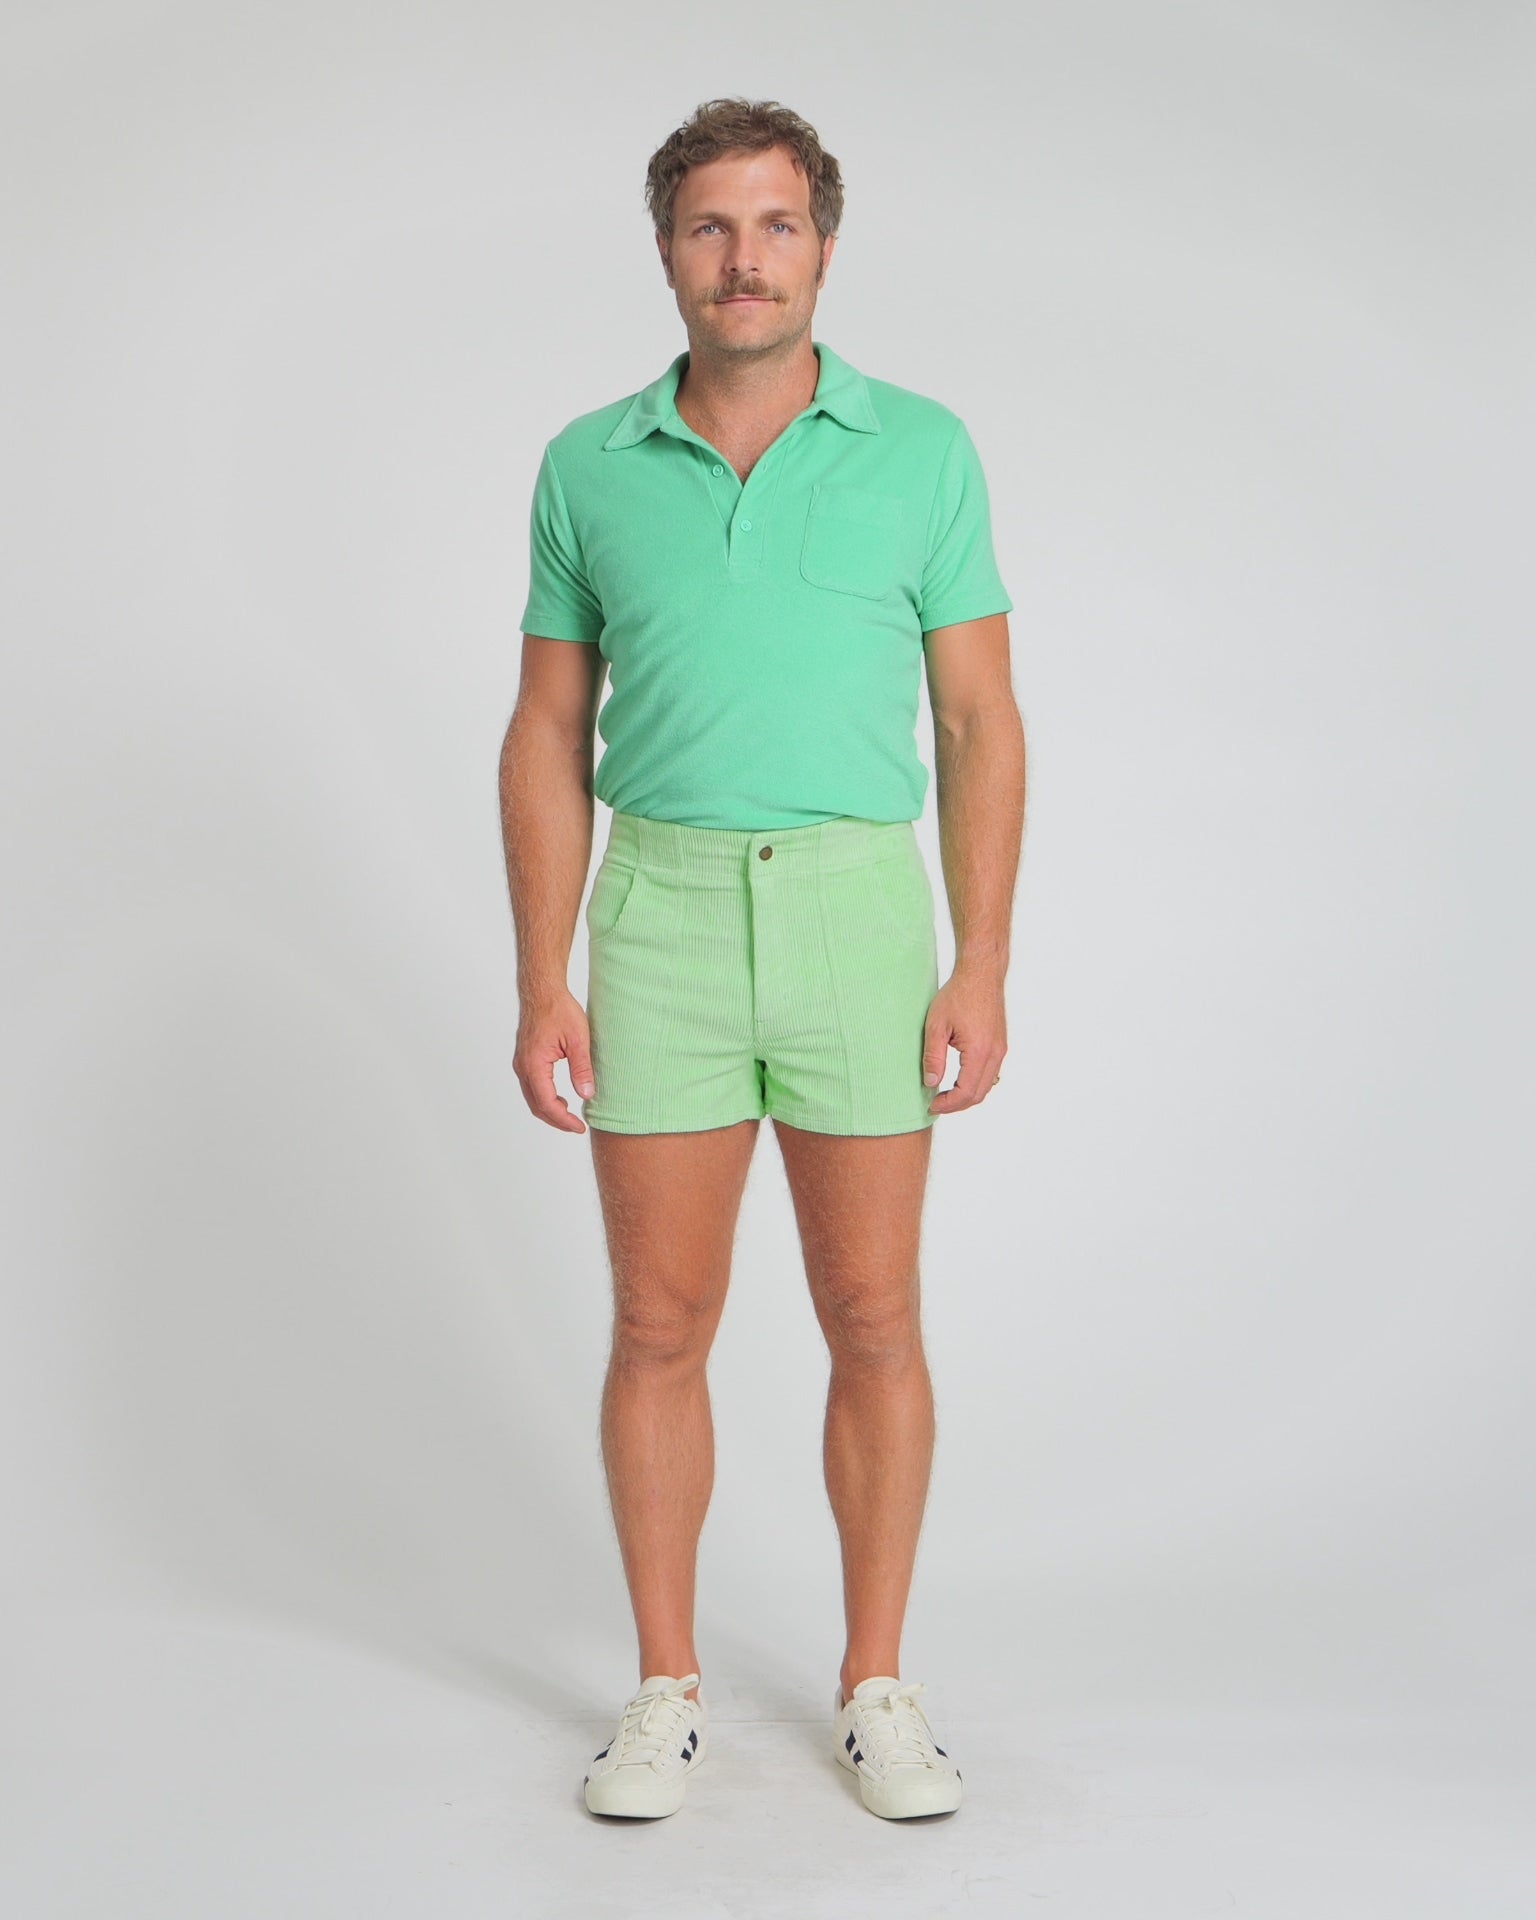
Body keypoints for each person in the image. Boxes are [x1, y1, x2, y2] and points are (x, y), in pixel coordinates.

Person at [498, 96, 1026, 1821]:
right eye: (711, 227)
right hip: (658, 910)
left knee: (874, 1311)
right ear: (667, 251)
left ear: (824, 244)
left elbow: (978, 717)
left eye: (776, 224)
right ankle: (665, 1688)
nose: (745, 259)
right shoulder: (589, 464)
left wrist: (981, 961)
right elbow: (548, 728)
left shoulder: (923, 450)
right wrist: (544, 974)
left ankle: (878, 1685)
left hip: (860, 911)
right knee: (661, 1317)